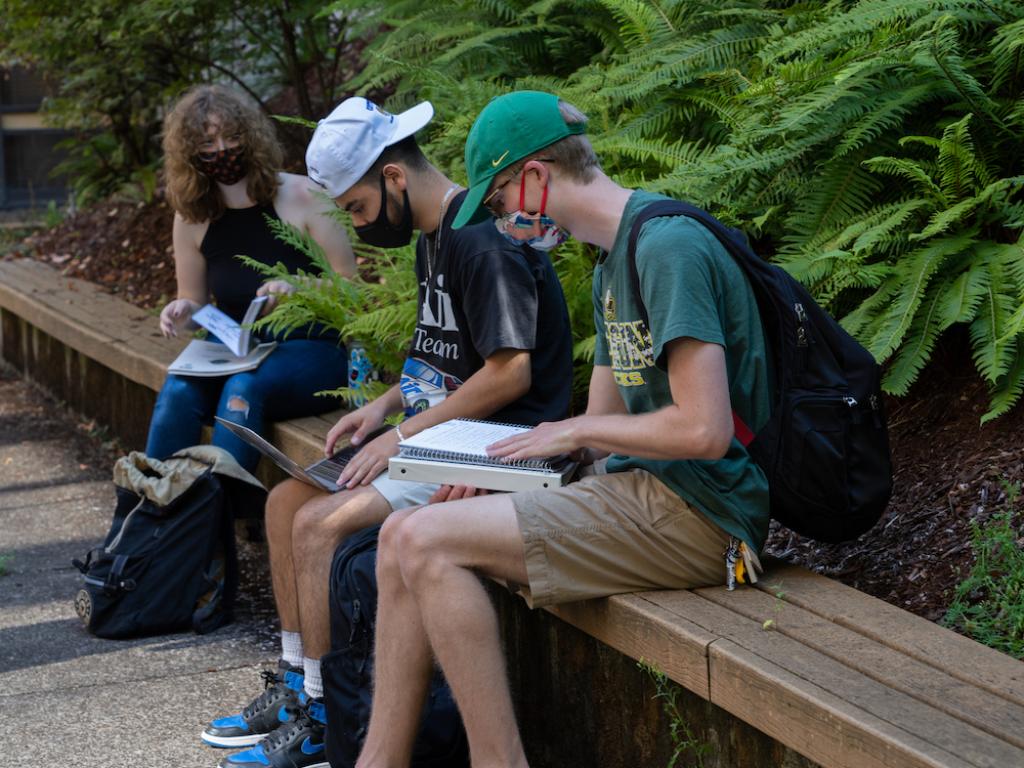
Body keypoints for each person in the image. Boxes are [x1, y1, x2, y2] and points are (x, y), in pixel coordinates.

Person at [353, 90, 773, 768]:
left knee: (427, 545)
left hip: (706, 516)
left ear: (536, 180)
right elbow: (600, 430)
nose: (498, 220)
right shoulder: (614, 260)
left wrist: (567, 430)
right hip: (639, 493)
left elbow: (704, 429)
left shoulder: (666, 248)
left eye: (496, 204)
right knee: (402, 535)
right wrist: (503, 476)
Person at [201, 96, 574, 768]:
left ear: (394, 178)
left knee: (319, 528)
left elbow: (509, 374)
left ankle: (322, 719)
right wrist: (383, 406)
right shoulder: (435, 235)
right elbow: (447, 359)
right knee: (287, 504)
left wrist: (400, 439)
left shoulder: (481, 240)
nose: (359, 225)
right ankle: (297, 689)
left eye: (358, 209)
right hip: (440, 437)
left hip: (491, 449)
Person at [147, 84, 356, 472]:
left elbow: (352, 288)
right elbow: (194, 303)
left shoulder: (304, 195)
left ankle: (219, 510)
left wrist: (300, 288)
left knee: (244, 388)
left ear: (252, 138)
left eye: (232, 137)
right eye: (208, 142)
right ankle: (152, 510)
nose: (222, 150)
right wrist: (181, 311)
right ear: (190, 153)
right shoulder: (192, 216)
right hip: (233, 348)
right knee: (177, 389)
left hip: (311, 348)